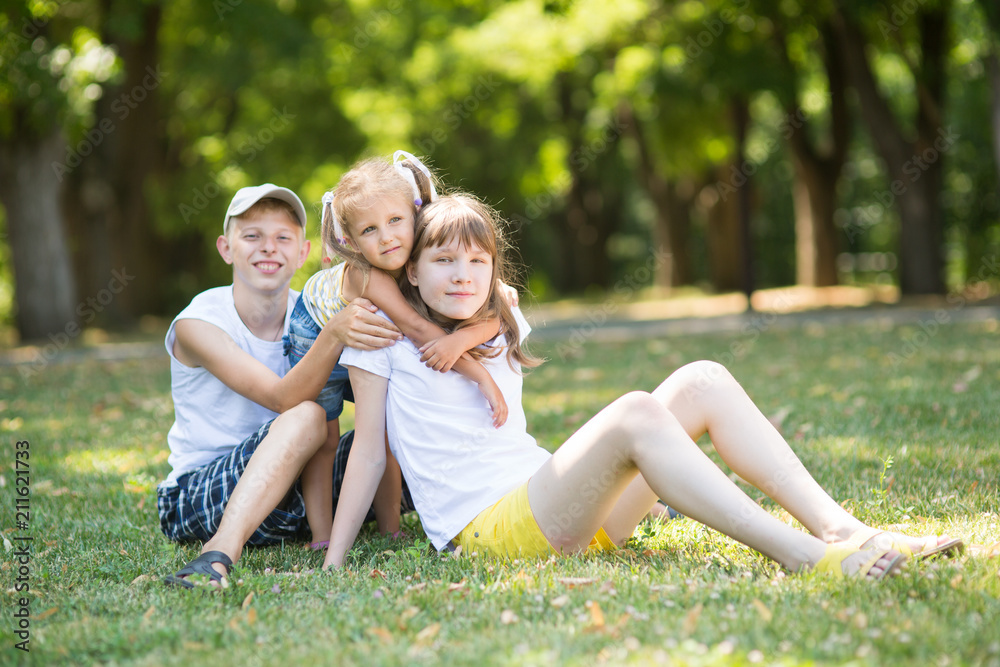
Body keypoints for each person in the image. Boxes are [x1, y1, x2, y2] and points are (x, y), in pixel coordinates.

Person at [323, 194, 964, 579]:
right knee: (634, 412)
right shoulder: (381, 336)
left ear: (494, 268)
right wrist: (335, 560)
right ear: (409, 271)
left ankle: (841, 531)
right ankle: (800, 556)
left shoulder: (503, 314)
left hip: (561, 508)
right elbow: (371, 450)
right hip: (491, 530)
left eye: (476, 261)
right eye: (442, 261)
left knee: (701, 380)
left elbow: (494, 321)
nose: (462, 276)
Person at [159, 183, 403, 588]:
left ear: (303, 252)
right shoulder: (198, 323)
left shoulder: (315, 304)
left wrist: (491, 296)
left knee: (400, 435)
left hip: (294, 488)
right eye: (252, 236)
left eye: (283, 238)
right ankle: (216, 555)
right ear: (226, 248)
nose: (268, 248)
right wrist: (334, 334)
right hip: (204, 492)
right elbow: (282, 398)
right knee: (307, 414)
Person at [284, 152, 511, 550]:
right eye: (370, 230)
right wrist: (482, 377)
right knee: (325, 437)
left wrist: (462, 337)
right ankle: (322, 536)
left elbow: (496, 317)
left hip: (368, 341)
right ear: (350, 241)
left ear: (415, 214)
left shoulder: (426, 255)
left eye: (395, 221)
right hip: (316, 330)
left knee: (387, 430)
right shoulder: (367, 273)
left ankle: (390, 528)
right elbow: (418, 329)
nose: (387, 237)